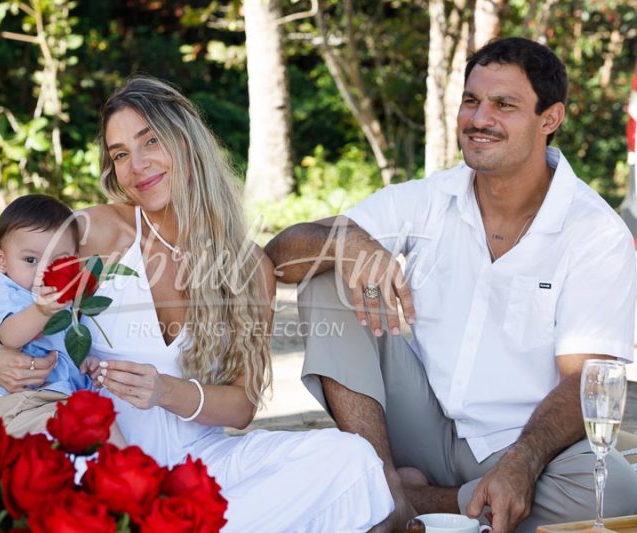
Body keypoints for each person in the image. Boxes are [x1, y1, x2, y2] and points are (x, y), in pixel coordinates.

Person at [0, 76, 394, 531]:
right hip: (100, 460)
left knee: (347, 458)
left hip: (200, 462)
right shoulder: (95, 233)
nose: (136, 165)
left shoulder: (250, 269)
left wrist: (165, 391)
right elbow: (12, 298)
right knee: (56, 479)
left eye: (150, 140)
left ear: (187, 140)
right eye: (119, 154)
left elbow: (241, 406)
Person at [266, 37, 637, 532]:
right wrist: (347, 244)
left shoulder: (593, 231)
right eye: (471, 100)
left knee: (612, 495)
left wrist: (522, 462)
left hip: (519, 441)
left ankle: (406, 499)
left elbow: (583, 381)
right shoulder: (428, 198)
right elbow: (279, 259)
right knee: (325, 272)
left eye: (503, 105)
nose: (479, 118)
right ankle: (383, 481)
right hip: (409, 422)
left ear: (550, 119)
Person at [0, 193, 125, 446]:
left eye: (58, 260)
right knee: (83, 432)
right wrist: (40, 312)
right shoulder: (6, 296)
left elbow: (58, 346)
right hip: (23, 404)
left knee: (102, 425)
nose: (44, 270)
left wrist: (83, 362)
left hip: (58, 399)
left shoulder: (55, 298)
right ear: (0, 259)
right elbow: (9, 337)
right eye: (31, 260)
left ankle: (127, 474)